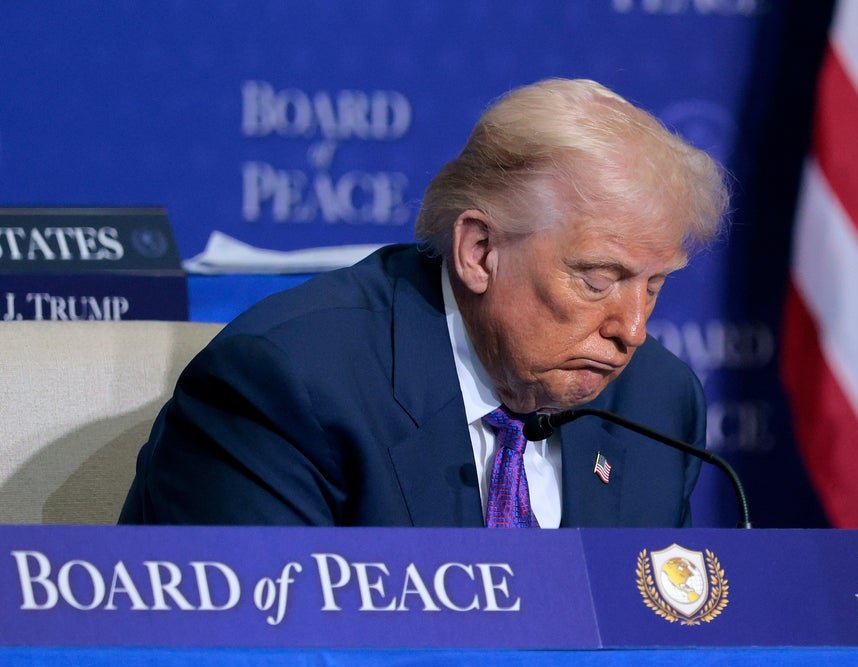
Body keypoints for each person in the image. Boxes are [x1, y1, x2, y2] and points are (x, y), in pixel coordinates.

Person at [119, 78, 729, 527]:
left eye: (654, 285)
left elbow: (659, 660)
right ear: (480, 250)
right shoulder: (287, 388)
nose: (634, 328)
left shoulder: (656, 402)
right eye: (598, 279)